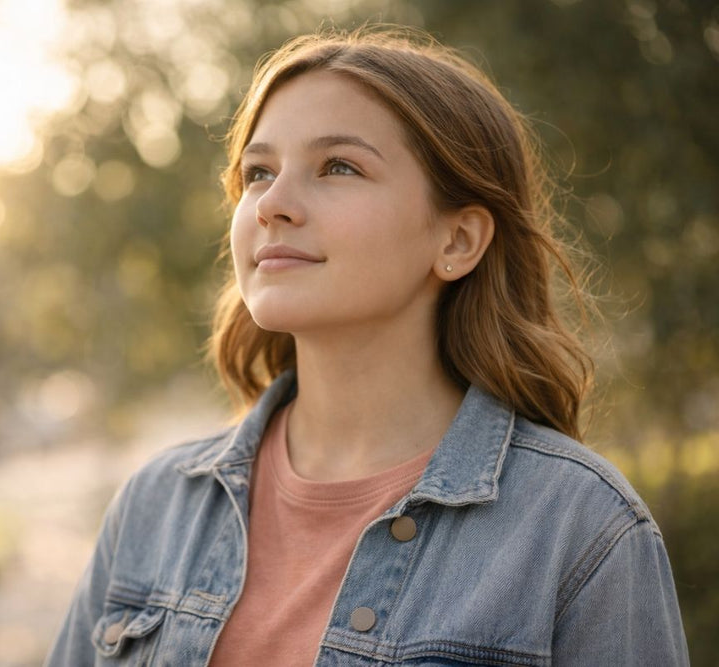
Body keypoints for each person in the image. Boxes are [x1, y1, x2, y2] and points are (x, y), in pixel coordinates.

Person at [47, 27, 689, 666]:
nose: (272, 204)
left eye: (339, 166)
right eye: (258, 172)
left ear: (458, 241)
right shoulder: (154, 506)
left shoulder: (581, 530)